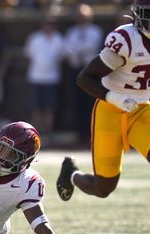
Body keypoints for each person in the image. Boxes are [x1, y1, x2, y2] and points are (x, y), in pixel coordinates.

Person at [56, 0, 150, 201]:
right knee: (103, 188)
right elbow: (84, 78)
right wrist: (115, 98)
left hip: (141, 110)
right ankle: (71, 174)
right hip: (110, 110)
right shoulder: (127, 40)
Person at [64, 3, 103, 145]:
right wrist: (79, 51)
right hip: (76, 69)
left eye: (85, 16)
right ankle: (80, 134)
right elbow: (68, 49)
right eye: (80, 16)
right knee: (77, 103)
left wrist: (78, 50)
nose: (82, 19)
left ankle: (92, 132)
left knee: (91, 103)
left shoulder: (95, 31)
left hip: (92, 71)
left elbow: (92, 48)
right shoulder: (72, 32)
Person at [23, 16, 64, 145]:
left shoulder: (59, 39)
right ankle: (36, 136)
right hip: (35, 78)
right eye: (46, 23)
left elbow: (63, 57)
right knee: (36, 108)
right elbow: (27, 55)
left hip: (52, 79)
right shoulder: (34, 38)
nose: (48, 26)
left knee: (49, 108)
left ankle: (48, 135)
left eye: (51, 24)